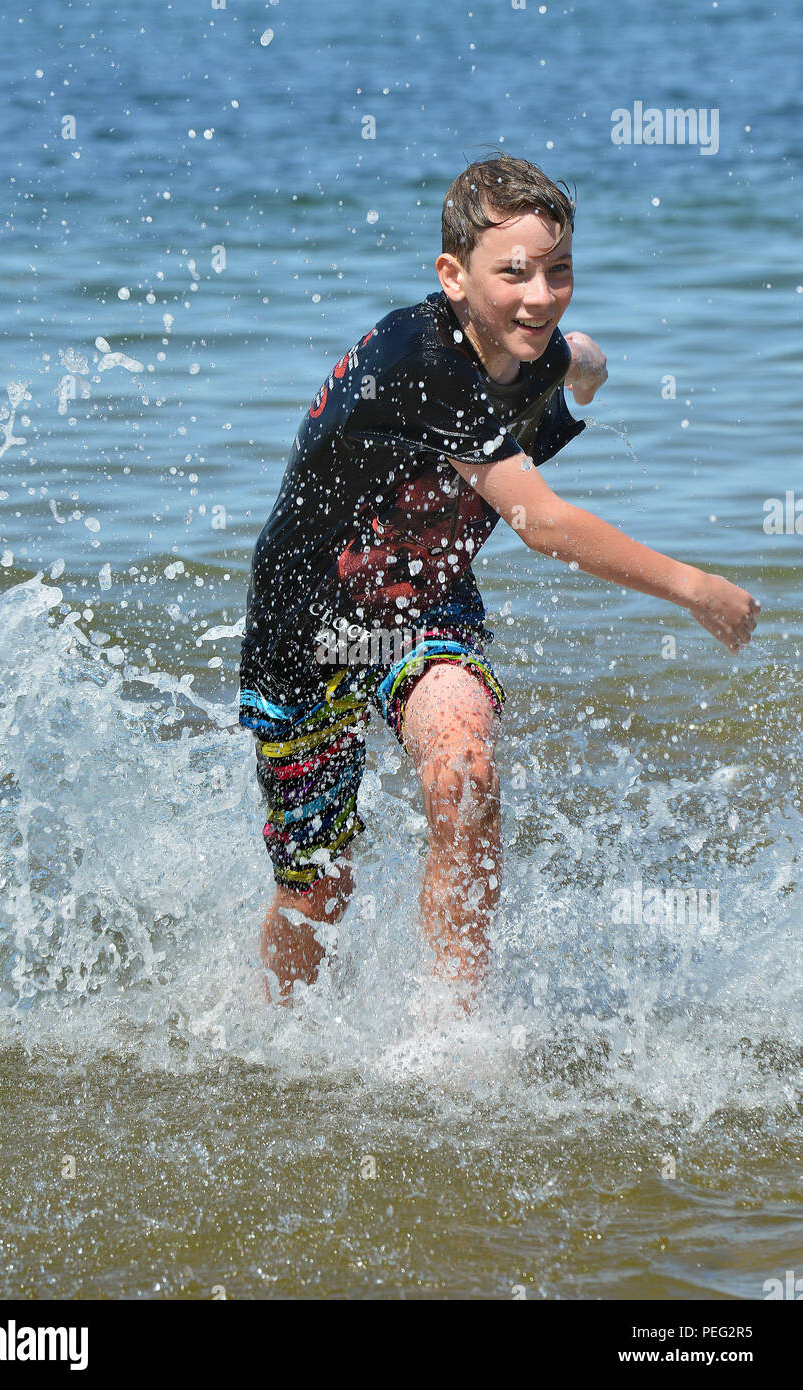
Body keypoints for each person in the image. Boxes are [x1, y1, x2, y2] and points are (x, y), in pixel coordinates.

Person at [238, 153, 758, 1006]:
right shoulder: (419, 359)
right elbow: (542, 521)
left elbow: (566, 362)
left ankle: (452, 1035)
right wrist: (694, 588)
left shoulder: (526, 347)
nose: (540, 295)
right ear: (453, 275)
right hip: (306, 631)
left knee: (466, 769)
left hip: (424, 608)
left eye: (558, 271)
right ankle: (273, 1035)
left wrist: (581, 364)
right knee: (320, 888)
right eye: (512, 272)